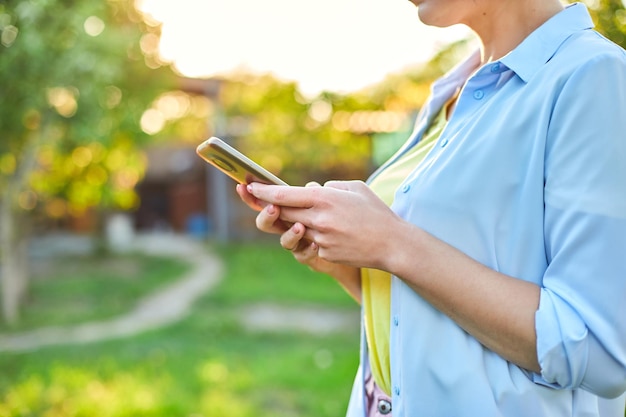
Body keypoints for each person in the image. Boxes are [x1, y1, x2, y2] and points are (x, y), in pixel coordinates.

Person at [236, 0, 626, 416]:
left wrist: (391, 242)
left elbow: (599, 349)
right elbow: (426, 311)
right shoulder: (452, 90)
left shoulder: (594, 75)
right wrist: (347, 263)